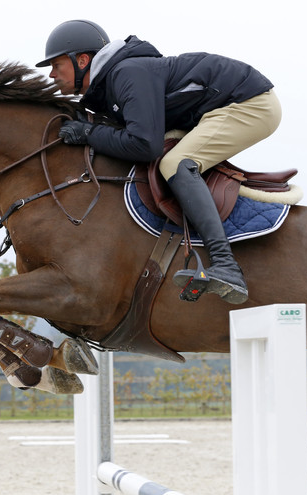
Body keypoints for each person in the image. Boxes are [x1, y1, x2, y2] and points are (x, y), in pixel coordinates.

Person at [36, 20, 281, 304]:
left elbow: (144, 145)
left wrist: (89, 133)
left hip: (251, 103)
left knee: (176, 163)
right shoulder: (111, 84)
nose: (52, 75)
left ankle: (226, 265)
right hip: (218, 108)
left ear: (82, 60)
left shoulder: (127, 73)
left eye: (56, 65)